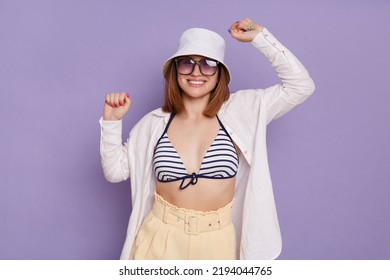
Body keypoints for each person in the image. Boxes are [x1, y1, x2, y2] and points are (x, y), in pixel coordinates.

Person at [99, 18, 315, 260]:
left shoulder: (245, 109)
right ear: (175, 70)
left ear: (220, 73)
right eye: (186, 63)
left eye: (208, 64)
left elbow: (301, 86)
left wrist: (259, 36)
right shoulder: (152, 124)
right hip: (159, 238)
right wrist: (111, 122)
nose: (196, 72)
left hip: (218, 241)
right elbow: (115, 171)